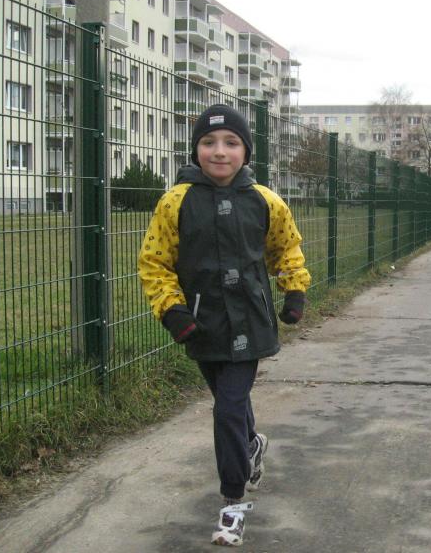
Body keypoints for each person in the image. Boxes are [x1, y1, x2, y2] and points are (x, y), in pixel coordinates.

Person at [138, 104, 310, 546]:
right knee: (229, 402)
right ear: (195, 149)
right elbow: (155, 262)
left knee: (228, 408)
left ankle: (233, 503)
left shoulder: (266, 201)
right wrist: (172, 311)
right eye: (209, 142)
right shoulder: (175, 202)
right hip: (202, 323)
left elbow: (286, 248)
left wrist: (294, 290)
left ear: (246, 151)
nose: (219, 151)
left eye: (231, 143)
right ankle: (251, 445)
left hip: (251, 319)